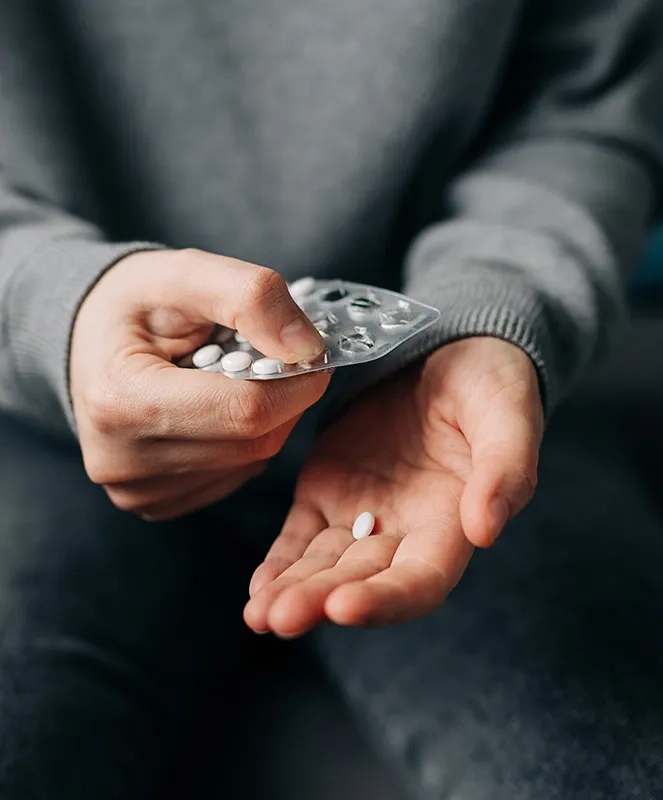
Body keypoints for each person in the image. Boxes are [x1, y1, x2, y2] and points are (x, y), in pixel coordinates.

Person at [0, 0, 662, 797]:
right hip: (39, 423)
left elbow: (584, 108)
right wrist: (51, 311)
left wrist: (494, 310)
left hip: (443, 406)